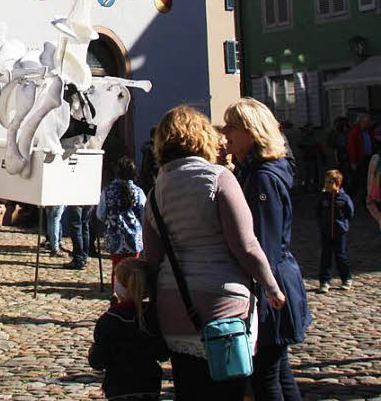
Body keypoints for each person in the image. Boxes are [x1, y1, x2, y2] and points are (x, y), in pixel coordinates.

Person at [144, 105, 285, 401]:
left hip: (176, 306)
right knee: (228, 390)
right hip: (223, 303)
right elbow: (245, 245)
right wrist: (271, 286)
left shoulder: (156, 191)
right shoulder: (219, 178)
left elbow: (153, 260)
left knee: (189, 389)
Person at [223, 98, 311, 401]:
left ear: (251, 131)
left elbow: (264, 242)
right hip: (272, 279)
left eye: (232, 126)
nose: (225, 132)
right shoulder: (255, 171)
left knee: (266, 378)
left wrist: (261, 288)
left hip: (272, 282)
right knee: (277, 372)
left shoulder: (263, 178)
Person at [88, 257, 168, 400]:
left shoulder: (110, 319)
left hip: (119, 386)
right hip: (149, 384)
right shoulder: (153, 315)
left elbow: (98, 360)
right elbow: (162, 353)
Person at [96, 156, 145, 285]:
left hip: (114, 236)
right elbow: (144, 214)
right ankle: (133, 296)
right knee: (134, 271)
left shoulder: (107, 191)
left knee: (117, 269)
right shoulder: (138, 192)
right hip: (134, 238)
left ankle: (118, 296)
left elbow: (100, 214)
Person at [315, 169, 353, 293]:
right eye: (325, 182)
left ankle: (346, 278)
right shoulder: (323, 198)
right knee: (325, 256)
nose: (326, 185)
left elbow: (350, 212)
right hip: (326, 231)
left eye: (330, 182)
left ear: (337, 183)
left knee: (341, 256)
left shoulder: (343, 198)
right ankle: (324, 281)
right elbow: (318, 211)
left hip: (339, 232)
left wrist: (343, 225)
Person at [63, 204, 94, 270]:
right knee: (84, 227)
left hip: (76, 200)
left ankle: (78, 259)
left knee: (76, 227)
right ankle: (83, 258)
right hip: (88, 200)